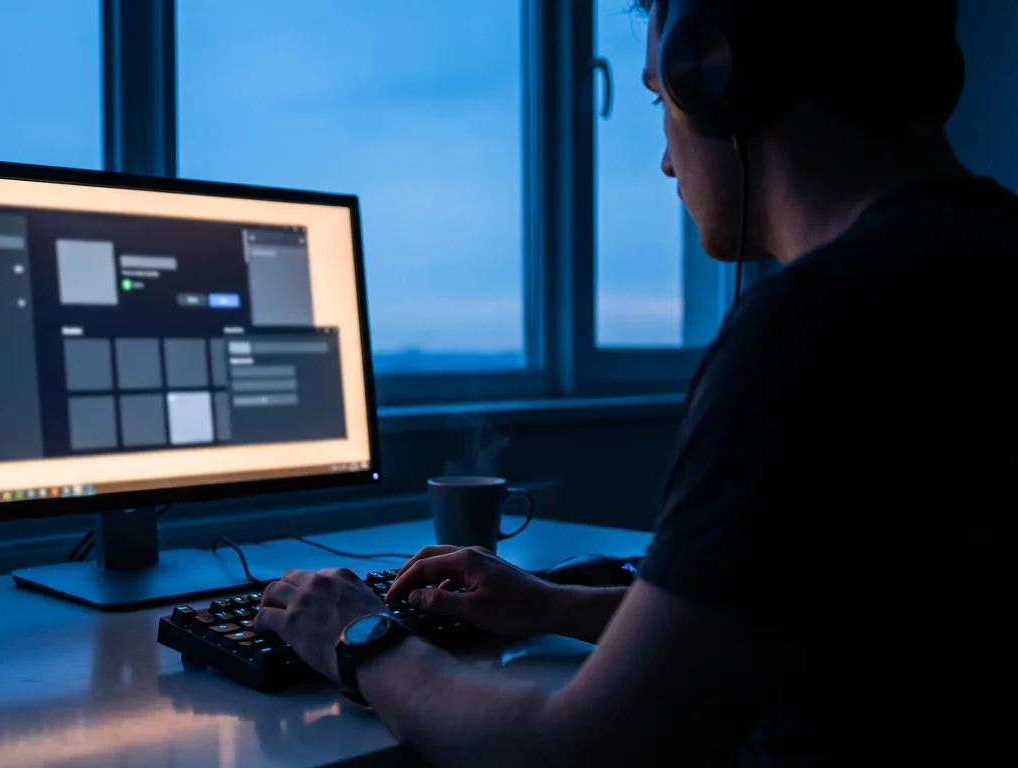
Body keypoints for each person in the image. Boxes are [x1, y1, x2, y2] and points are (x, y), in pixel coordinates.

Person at [252, 1, 1012, 765]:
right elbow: (816, 624)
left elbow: (582, 748)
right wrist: (546, 603)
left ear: (725, 83)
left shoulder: (816, 330)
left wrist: (363, 638)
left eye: (661, 96)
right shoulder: (971, 261)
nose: (667, 160)